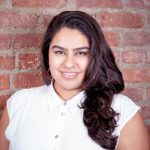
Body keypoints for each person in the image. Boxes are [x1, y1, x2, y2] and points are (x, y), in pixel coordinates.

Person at [0, 11, 149, 150]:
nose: (69, 63)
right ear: (47, 55)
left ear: (95, 57)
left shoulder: (123, 110)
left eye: (81, 53)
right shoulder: (18, 103)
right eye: (59, 52)